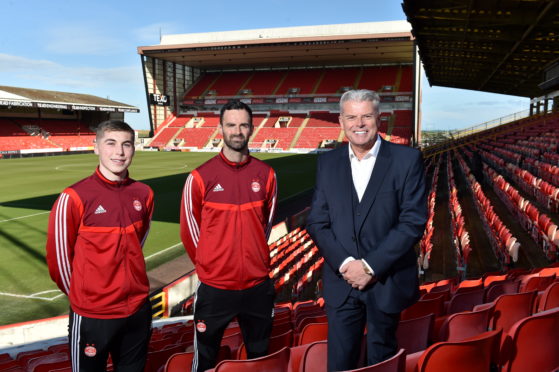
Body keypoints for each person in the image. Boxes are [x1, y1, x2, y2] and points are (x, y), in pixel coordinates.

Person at [307, 89, 427, 370]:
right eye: (351, 117)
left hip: (386, 281)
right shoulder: (327, 162)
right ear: (341, 121)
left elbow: (412, 222)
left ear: (379, 119)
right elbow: (317, 222)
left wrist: (370, 267)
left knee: (381, 361)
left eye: (366, 116)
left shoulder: (407, 160)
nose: (358, 124)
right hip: (342, 281)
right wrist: (348, 264)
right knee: (339, 362)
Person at [46, 120, 154, 372]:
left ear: (134, 149)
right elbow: (59, 261)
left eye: (126, 144)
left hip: (138, 309)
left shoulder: (144, 193)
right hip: (94, 315)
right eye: (111, 143)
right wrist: (87, 298)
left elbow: (137, 244)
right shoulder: (73, 197)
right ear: (96, 147)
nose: (119, 152)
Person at [180, 100, 278, 372]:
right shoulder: (200, 177)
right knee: (205, 359)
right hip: (215, 288)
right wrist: (212, 267)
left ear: (252, 129)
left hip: (258, 286)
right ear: (220, 128)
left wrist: (253, 258)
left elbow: (265, 226)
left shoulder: (267, 175)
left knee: (260, 357)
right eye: (231, 125)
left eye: (243, 125)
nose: (237, 131)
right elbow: (190, 232)